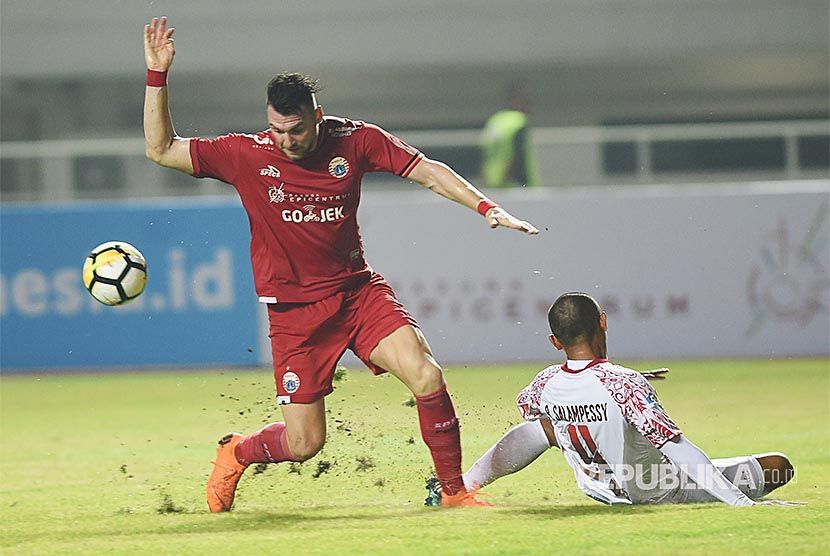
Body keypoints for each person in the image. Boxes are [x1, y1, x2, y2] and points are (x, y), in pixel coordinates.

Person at [143, 17, 538, 512]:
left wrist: (488, 207)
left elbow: (428, 172)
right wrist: (157, 75)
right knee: (306, 444)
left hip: (358, 293)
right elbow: (159, 149)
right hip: (294, 314)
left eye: (297, 128)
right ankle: (236, 452)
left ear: (318, 116)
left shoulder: (354, 140)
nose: (287, 139)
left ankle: (454, 492)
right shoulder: (245, 154)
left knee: (426, 376)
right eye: (277, 129)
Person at [428, 292, 799, 507]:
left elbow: (534, 414)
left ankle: (465, 483)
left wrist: (627, 387)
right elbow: (678, 448)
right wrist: (741, 503)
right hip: (657, 488)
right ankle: (741, 495)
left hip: (600, 488)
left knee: (545, 427)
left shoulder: (544, 384)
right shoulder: (623, 385)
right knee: (779, 466)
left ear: (555, 342)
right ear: (603, 322)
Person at [481, 82, 540, 188]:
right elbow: (517, 154)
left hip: (493, 183)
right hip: (514, 184)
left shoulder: (495, 121)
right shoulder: (519, 121)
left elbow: (485, 154)